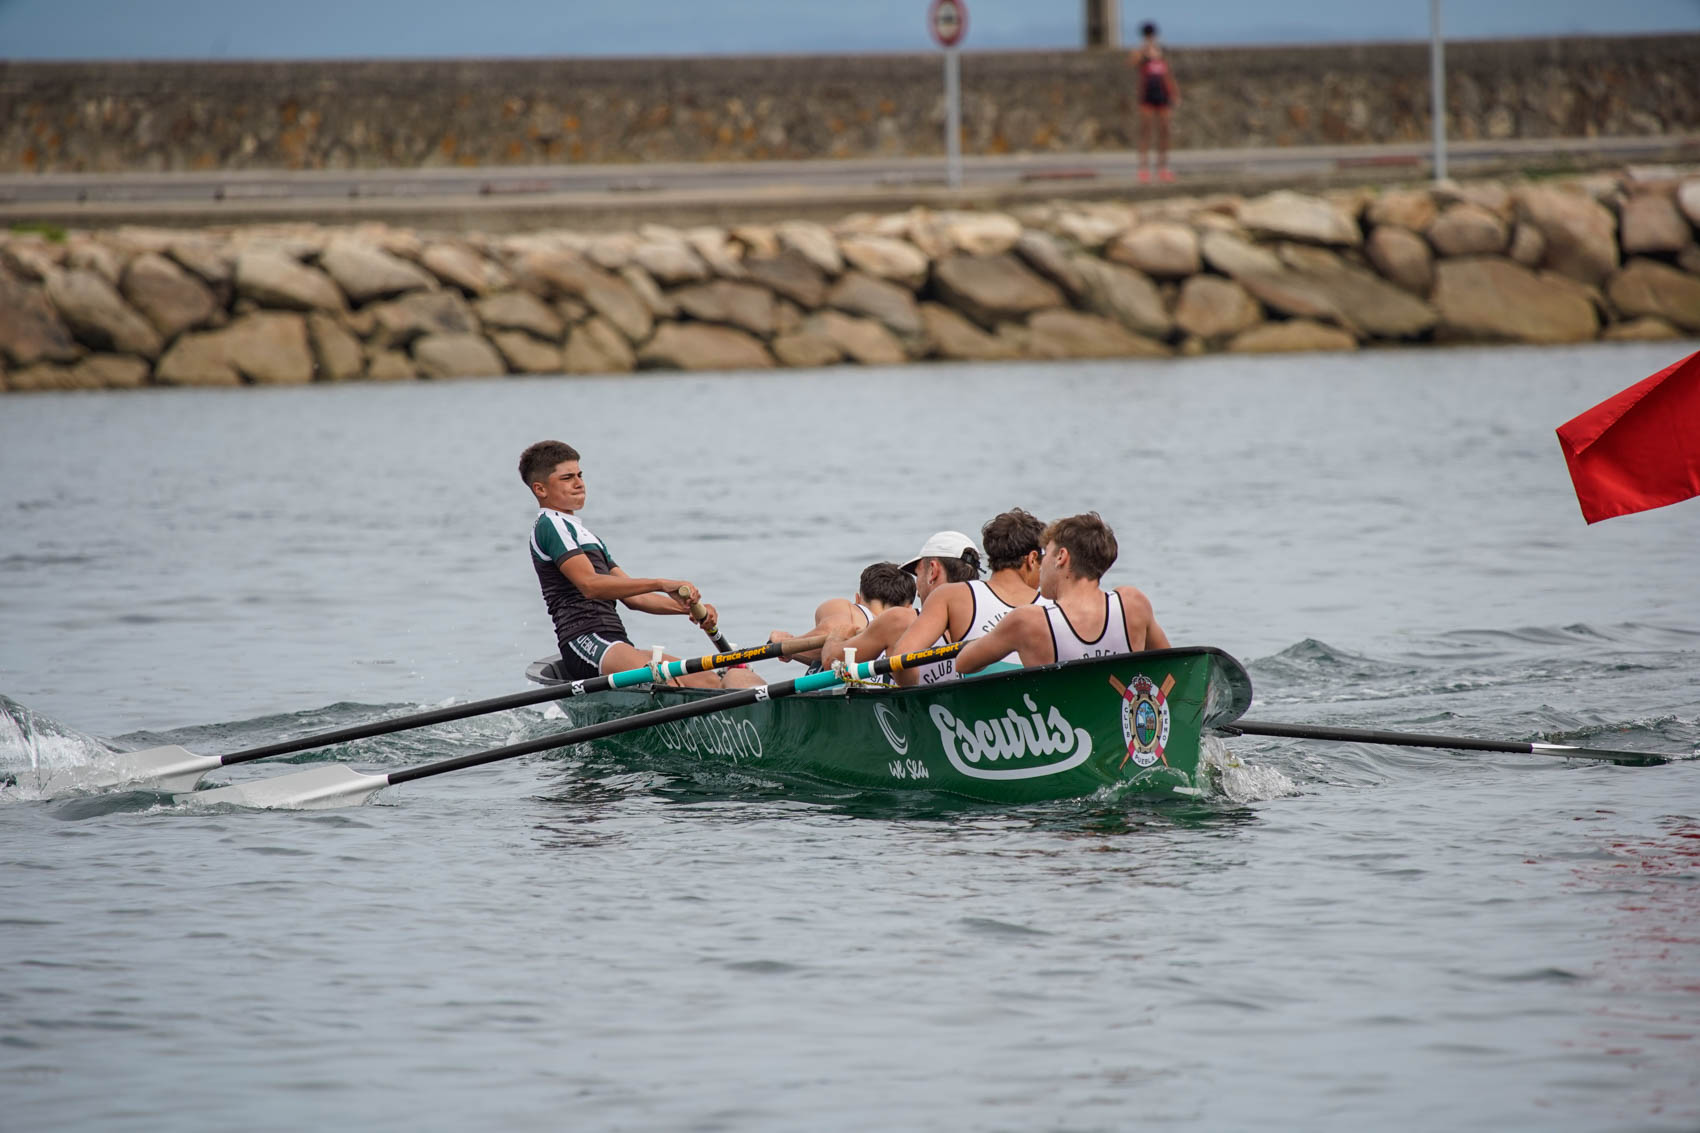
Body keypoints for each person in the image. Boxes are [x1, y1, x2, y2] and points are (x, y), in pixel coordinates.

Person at [520, 440, 762, 689]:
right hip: (584, 640)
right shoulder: (549, 525)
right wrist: (661, 583)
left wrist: (690, 610)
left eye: (580, 475)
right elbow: (590, 586)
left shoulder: (587, 535)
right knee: (667, 682)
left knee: (709, 681)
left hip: (614, 642)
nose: (579, 483)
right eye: (567, 478)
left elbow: (635, 598)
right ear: (540, 489)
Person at [956, 512, 1170, 675]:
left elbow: (963, 664)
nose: (1040, 566)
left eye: (1046, 554)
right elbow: (1172, 664)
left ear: (1061, 557)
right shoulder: (1133, 603)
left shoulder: (1027, 621)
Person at [889, 509, 1048, 687]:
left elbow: (901, 659)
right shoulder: (1052, 605)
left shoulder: (953, 595)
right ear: (1032, 559)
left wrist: (917, 697)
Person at [817, 531, 982, 674]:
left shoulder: (899, 620)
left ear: (933, 571)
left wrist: (835, 638)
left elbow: (832, 662)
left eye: (918, 574)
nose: (917, 591)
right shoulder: (990, 620)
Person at [768, 562, 916, 667]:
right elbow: (829, 653)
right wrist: (792, 651)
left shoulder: (848, 609)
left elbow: (830, 635)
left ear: (858, 599)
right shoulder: (919, 628)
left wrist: (784, 645)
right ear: (909, 608)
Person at [1131, 21, 1180, 184]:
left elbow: (1167, 73)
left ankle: (1163, 167)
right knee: (1145, 131)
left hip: (1162, 95)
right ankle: (1143, 168)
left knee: (1164, 130)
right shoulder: (1142, 51)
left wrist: (1173, 92)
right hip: (1147, 95)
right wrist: (1145, 53)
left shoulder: (1161, 51)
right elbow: (1132, 62)